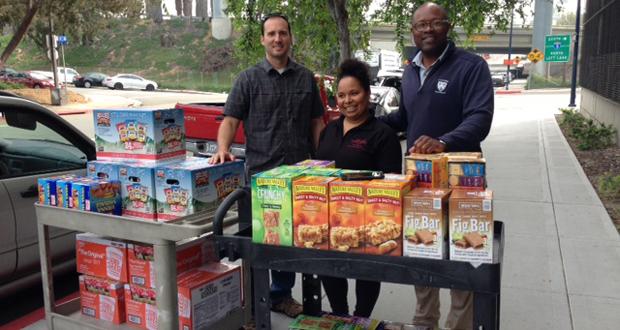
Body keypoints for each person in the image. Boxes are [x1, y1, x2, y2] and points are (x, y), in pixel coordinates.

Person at [380, 2, 494, 329]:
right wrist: (365, 122)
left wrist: (443, 141)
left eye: (435, 23)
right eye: (420, 25)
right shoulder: (410, 70)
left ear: (448, 26)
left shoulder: (471, 67)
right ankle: (424, 321)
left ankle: (458, 325)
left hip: (462, 180)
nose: (427, 30)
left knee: (464, 253)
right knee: (422, 248)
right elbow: (405, 118)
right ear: (412, 32)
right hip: (420, 180)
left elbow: (480, 118)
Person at [209, 13, 325, 318]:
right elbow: (230, 119)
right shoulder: (247, 79)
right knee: (262, 241)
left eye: (283, 33)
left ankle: (280, 296)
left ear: (290, 37)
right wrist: (222, 150)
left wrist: (326, 158)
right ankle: (254, 303)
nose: (277, 39)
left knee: (295, 240)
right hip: (262, 177)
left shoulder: (306, 78)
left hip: (302, 176)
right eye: (271, 34)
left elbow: (317, 122)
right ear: (263, 39)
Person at [316, 59, 402, 317]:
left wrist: (355, 179)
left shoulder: (382, 134)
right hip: (329, 218)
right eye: (341, 95)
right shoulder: (329, 130)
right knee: (329, 269)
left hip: (368, 219)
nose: (347, 100)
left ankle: (361, 318)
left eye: (354, 93)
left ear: (367, 93)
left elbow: (390, 180)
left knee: (366, 272)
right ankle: (340, 315)